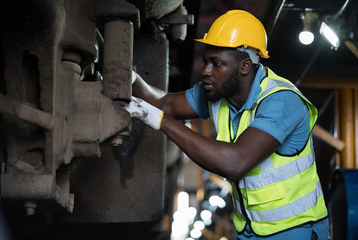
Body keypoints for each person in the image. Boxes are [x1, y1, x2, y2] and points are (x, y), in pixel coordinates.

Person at [125, 10, 330, 240]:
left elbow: (235, 162)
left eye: (216, 64)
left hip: (296, 231)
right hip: (249, 231)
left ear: (244, 65)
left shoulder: (282, 100)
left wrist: (159, 120)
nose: (205, 71)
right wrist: (127, 76)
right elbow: (166, 103)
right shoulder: (219, 92)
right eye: (205, 61)